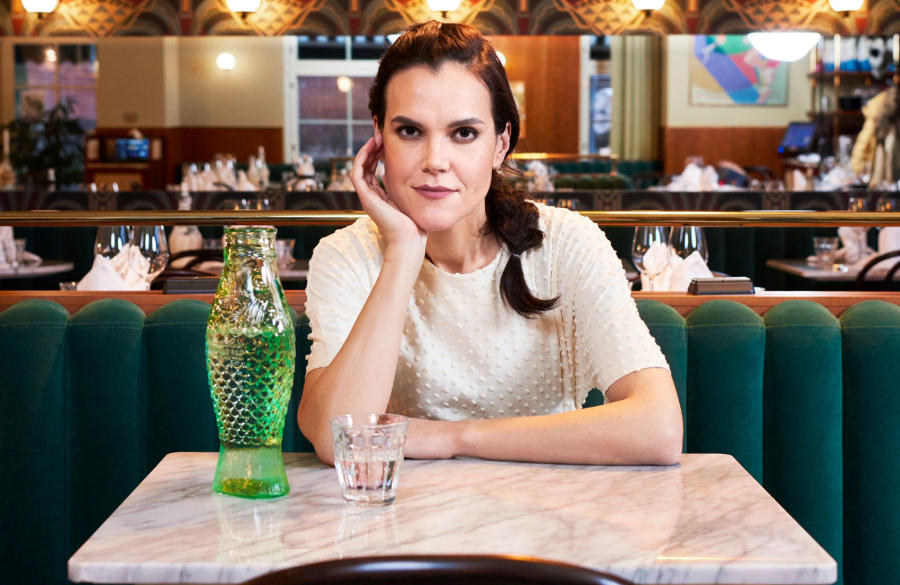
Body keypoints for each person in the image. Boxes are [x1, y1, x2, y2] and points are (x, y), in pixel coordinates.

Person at [297, 21, 682, 466]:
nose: (435, 161)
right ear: (379, 137)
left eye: (463, 133)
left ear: (500, 145)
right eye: (410, 131)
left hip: (548, 505)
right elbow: (337, 437)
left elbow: (659, 429)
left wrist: (454, 438)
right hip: (402, 508)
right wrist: (402, 253)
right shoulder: (347, 254)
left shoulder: (566, 243)